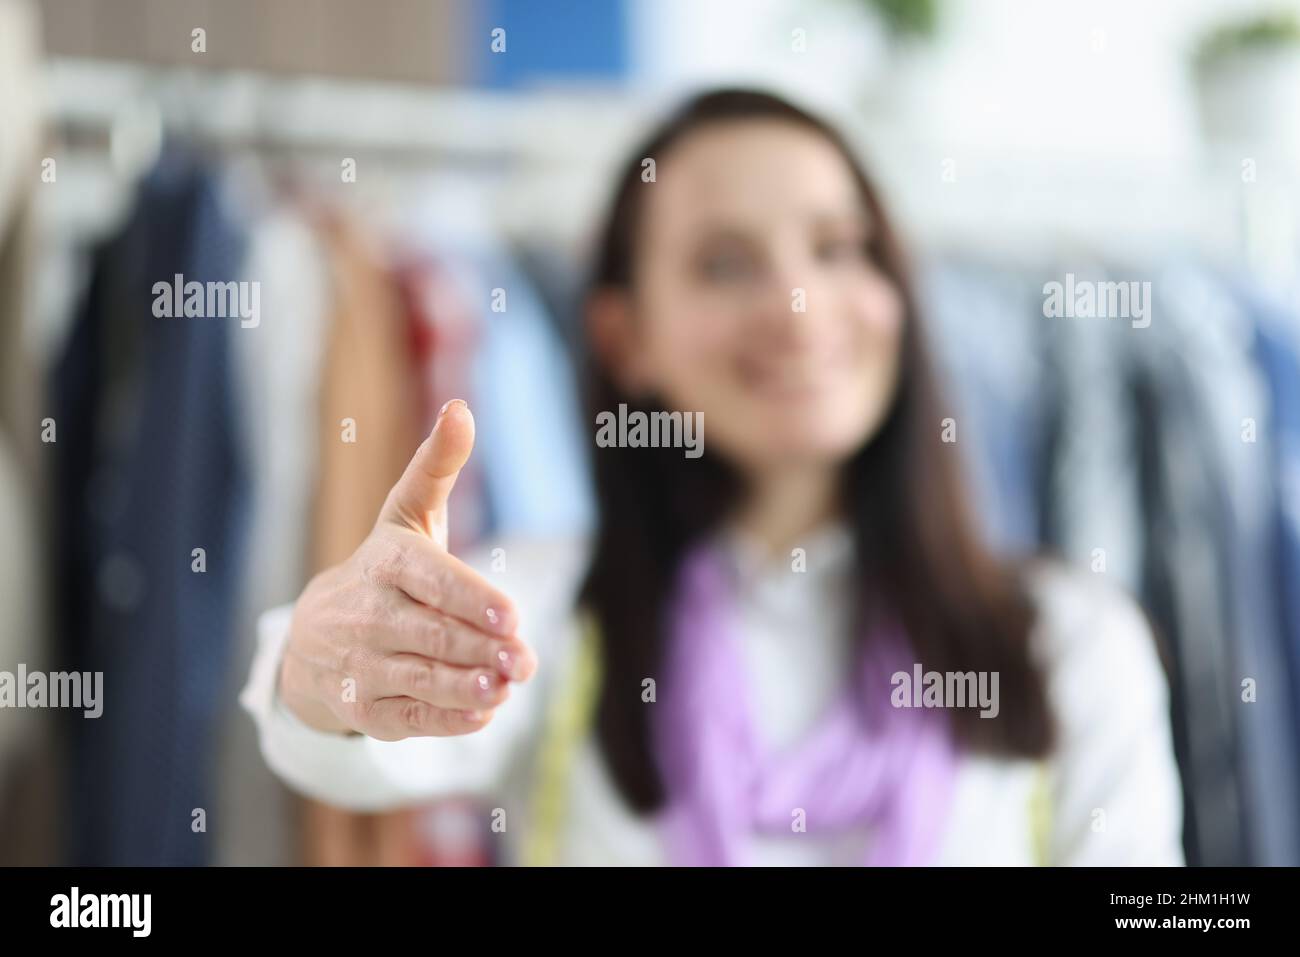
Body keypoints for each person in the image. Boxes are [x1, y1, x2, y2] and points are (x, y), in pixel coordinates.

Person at [240, 89, 1184, 866]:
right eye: (725, 264)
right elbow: (342, 747)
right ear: (625, 336)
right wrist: (327, 660)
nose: (798, 306)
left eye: (837, 248)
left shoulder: (1072, 641)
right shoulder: (547, 611)